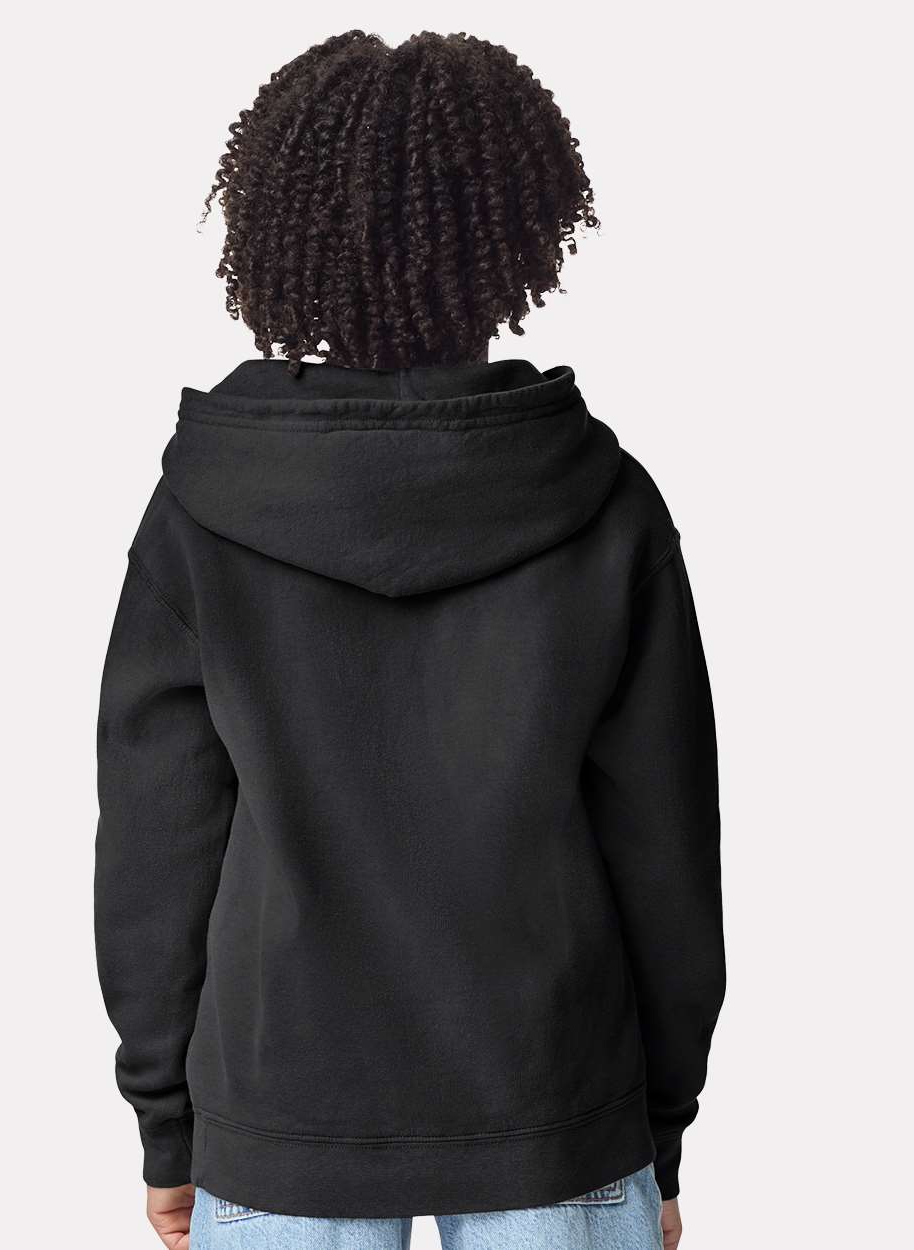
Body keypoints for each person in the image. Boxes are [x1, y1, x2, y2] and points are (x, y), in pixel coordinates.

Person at [94, 29, 725, 1250]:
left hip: (279, 1113)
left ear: (276, 231)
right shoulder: (604, 500)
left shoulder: (199, 508)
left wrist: (168, 1127)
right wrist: (657, 1130)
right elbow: (667, 850)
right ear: (522, 232)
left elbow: (155, 850)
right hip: (555, 1105)